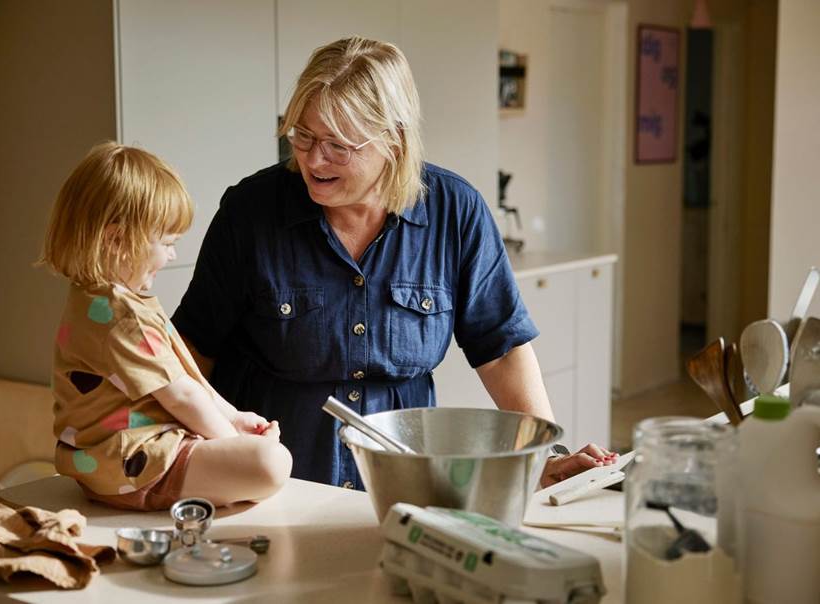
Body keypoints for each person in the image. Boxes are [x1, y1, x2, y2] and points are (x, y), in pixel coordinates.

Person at [172, 37, 615, 490]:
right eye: (302, 135)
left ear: (394, 140)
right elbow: (191, 350)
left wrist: (544, 457)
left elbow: (501, 349)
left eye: (338, 145)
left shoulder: (454, 211)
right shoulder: (251, 211)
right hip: (276, 485)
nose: (311, 158)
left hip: (399, 485)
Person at [40, 142, 292, 510]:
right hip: (132, 462)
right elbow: (182, 396)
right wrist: (232, 444)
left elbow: (185, 378)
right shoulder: (121, 314)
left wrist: (233, 417)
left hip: (109, 461)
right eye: (166, 243)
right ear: (117, 239)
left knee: (262, 457)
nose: (172, 255)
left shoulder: (94, 299)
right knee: (273, 462)